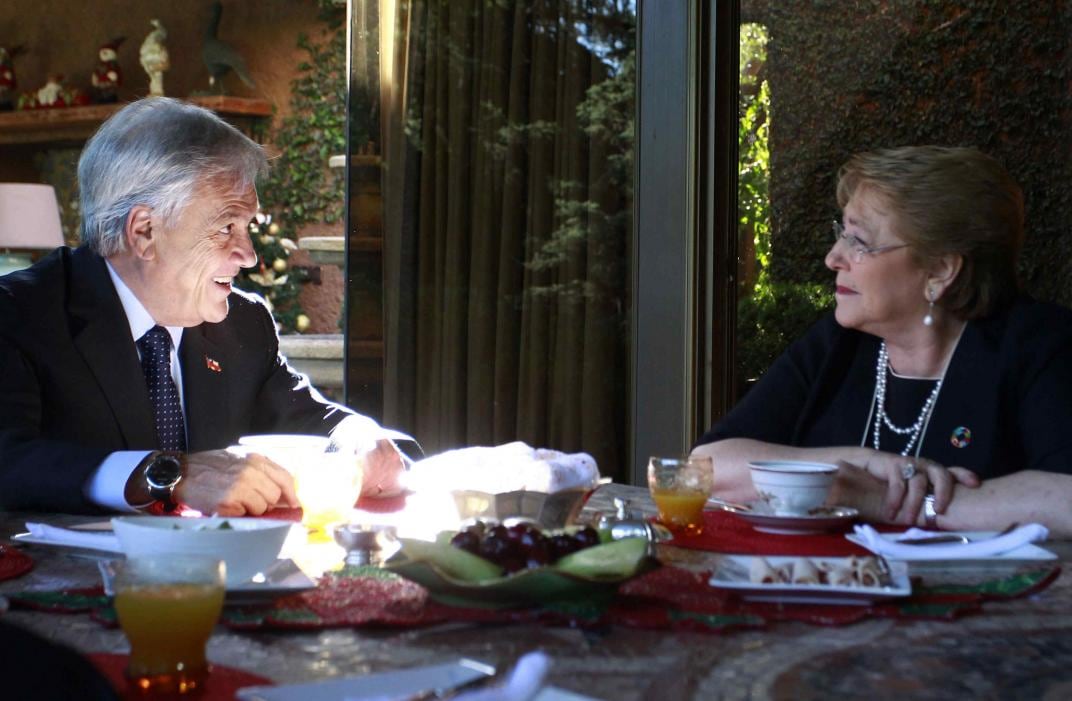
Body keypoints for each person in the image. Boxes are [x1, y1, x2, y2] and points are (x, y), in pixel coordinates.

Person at [0, 97, 405, 516]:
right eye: (226, 227)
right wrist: (167, 475)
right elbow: (7, 461)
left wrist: (360, 437)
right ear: (143, 232)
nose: (248, 256)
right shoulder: (17, 314)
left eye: (247, 227)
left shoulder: (243, 324)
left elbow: (314, 422)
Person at [693, 145, 1072, 537]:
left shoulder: (1038, 345)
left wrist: (887, 502)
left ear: (940, 271)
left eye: (859, 241)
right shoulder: (838, 344)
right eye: (841, 233)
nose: (833, 257)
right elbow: (707, 465)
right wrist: (853, 466)